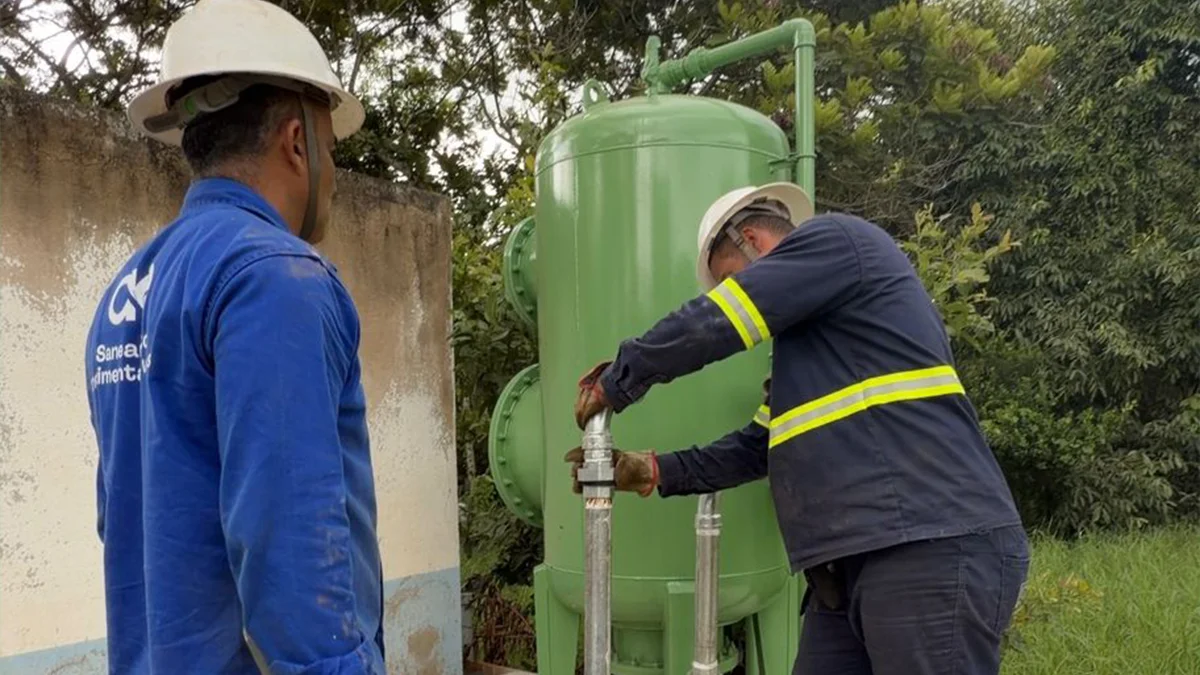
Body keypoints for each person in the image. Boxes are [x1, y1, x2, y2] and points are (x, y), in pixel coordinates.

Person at [566, 182, 1029, 675]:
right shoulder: (810, 354)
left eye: (730, 280)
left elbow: (716, 323)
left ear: (751, 239)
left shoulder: (840, 241)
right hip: (845, 570)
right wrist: (654, 470)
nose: (732, 295)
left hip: (926, 542)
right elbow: (755, 449)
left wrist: (621, 376)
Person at [85, 0, 383, 672]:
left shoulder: (126, 294)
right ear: (297, 141)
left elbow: (125, 523)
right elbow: (289, 546)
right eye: (331, 150)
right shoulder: (277, 277)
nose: (332, 175)